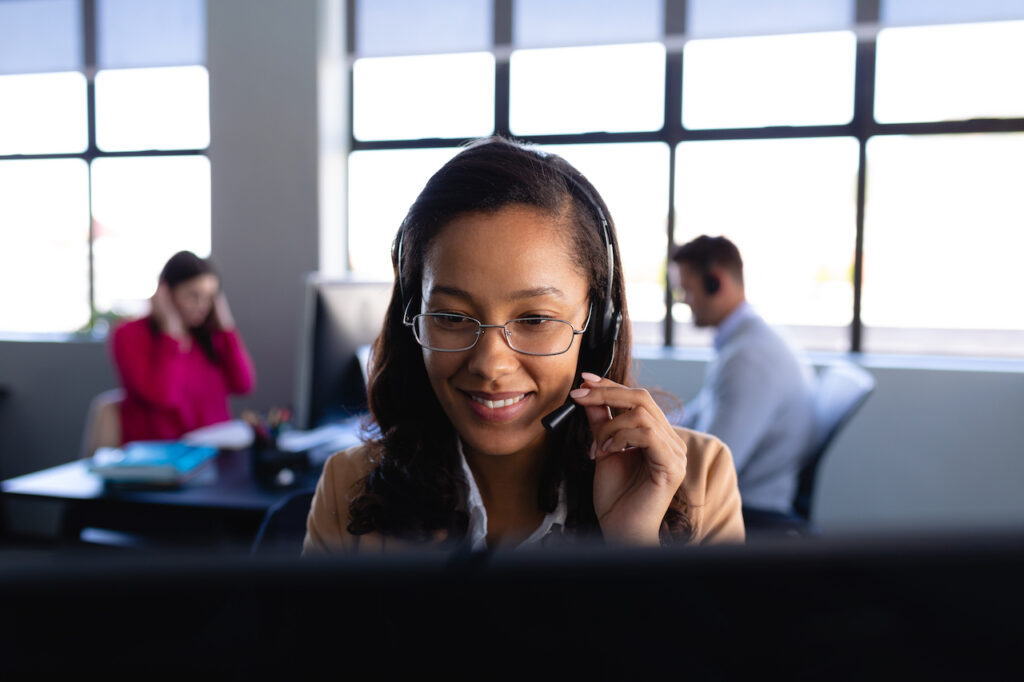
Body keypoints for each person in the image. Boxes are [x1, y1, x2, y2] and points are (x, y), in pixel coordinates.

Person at [303, 138, 743, 554]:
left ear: (597, 327)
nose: (491, 364)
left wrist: (633, 551)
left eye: (535, 319)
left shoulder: (699, 480)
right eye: (452, 318)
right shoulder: (348, 488)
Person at [671, 236, 816, 521]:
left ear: (716, 283)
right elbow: (695, 416)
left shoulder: (749, 359)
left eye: (686, 290)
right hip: (741, 500)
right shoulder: (743, 342)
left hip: (751, 511)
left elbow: (710, 471)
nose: (685, 302)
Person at [110, 250, 256, 444]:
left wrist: (227, 327)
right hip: (160, 461)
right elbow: (165, 397)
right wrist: (172, 332)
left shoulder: (211, 336)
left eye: (209, 297)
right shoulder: (129, 335)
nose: (202, 305)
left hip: (214, 454)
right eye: (192, 295)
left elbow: (243, 384)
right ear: (165, 293)